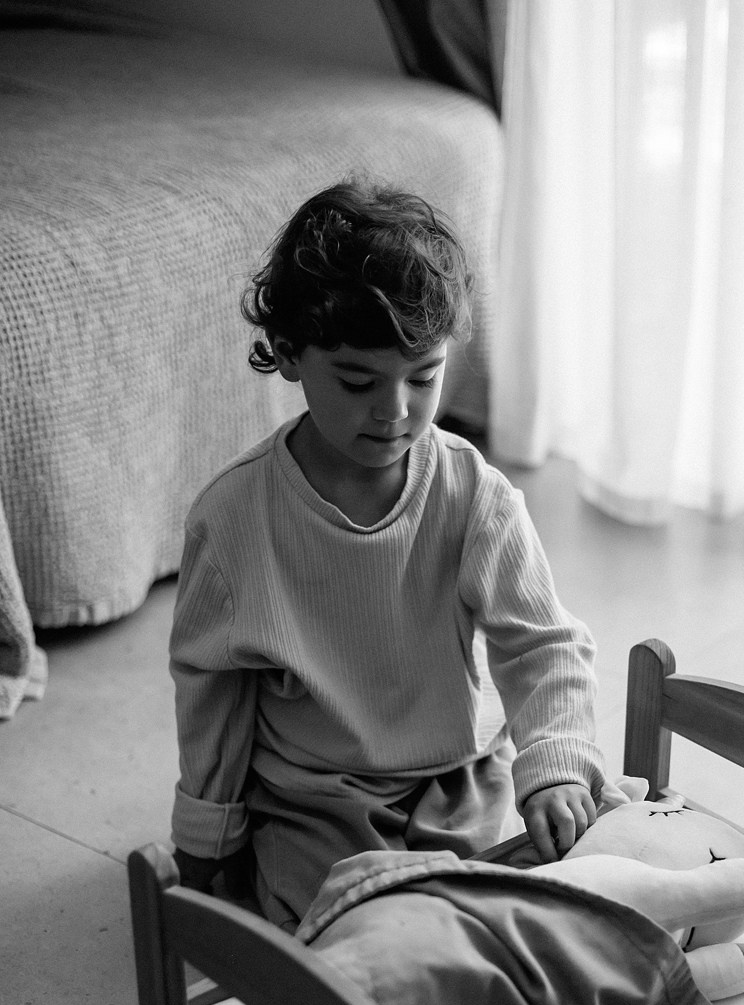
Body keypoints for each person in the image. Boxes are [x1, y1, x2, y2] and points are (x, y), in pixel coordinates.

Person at [169, 177, 607, 929]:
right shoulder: (235, 518)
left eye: (424, 377)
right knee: (343, 937)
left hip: (457, 778)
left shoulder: (475, 494)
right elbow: (212, 692)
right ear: (290, 354)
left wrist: (554, 764)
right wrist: (209, 832)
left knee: (512, 914)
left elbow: (544, 644)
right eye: (358, 379)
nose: (395, 409)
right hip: (313, 792)